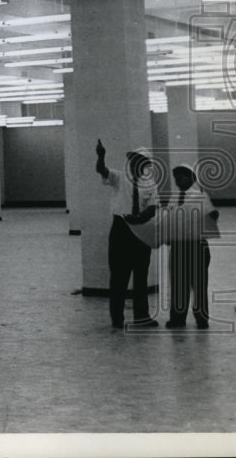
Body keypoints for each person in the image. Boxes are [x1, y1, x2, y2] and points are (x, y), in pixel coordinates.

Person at [95, 139, 160, 328]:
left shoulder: (150, 184)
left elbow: (153, 208)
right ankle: (117, 318)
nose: (135, 164)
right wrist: (101, 156)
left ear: (146, 164)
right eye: (133, 160)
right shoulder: (119, 177)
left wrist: (139, 218)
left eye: (139, 161)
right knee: (118, 276)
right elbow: (102, 171)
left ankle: (141, 316)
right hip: (121, 229)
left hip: (140, 231)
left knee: (141, 275)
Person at [162, 164, 219, 329]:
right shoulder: (174, 197)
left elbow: (213, 215)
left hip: (196, 244)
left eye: (182, 176)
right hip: (178, 245)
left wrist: (200, 219)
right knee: (178, 284)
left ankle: (202, 319)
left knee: (199, 284)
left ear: (191, 178)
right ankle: (177, 319)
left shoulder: (200, 196)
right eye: (176, 176)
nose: (178, 179)